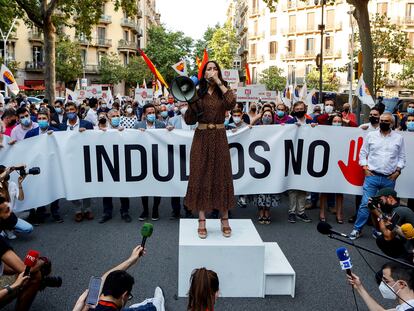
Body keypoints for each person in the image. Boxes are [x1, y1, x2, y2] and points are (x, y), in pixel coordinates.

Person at [183, 61, 236, 239]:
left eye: (215, 69)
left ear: (219, 73)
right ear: (204, 73)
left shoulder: (224, 91)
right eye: (209, 69)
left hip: (220, 137)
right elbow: (190, 120)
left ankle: (225, 218)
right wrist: (190, 101)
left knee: (222, 174)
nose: (212, 72)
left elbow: (231, 104)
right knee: (200, 174)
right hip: (201, 137)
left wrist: (220, 84)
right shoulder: (198, 92)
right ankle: (202, 219)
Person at [350, 112, 406, 240]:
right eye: (381, 120)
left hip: (389, 179)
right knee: (366, 204)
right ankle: (357, 229)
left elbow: (402, 157)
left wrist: (398, 171)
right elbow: (363, 153)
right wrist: (364, 167)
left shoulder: (398, 138)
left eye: (386, 121)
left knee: (385, 207)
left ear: (392, 123)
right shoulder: (371, 135)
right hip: (372, 176)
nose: (383, 123)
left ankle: (380, 230)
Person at [72, 245, 165, 311]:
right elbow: (104, 278)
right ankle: (154, 305)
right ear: (124, 295)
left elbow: (104, 278)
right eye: (129, 296)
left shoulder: (88, 306)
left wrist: (131, 260)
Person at [62, 102, 95, 222]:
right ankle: (77, 208)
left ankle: (87, 209)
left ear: (76, 110)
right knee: (70, 184)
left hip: (84, 158)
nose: (70, 112)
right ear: (65, 112)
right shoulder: (61, 127)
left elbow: (94, 139)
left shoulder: (87, 124)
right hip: (68, 160)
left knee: (86, 184)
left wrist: (86, 133)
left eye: (72, 109)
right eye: (68, 110)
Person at [99, 109, 131, 224]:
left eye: (118, 115)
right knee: (107, 189)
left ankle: (125, 211)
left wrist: (124, 133)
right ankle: (107, 212)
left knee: (123, 189)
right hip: (106, 164)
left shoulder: (125, 130)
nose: (116, 118)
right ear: (108, 117)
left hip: (122, 163)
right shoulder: (101, 129)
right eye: (113, 116)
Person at [134, 104, 165, 221]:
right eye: (149, 113)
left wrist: (169, 130)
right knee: (144, 186)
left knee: (158, 185)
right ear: (144, 115)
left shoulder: (161, 125)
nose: (152, 115)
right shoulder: (138, 125)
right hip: (143, 160)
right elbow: (131, 140)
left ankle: (155, 209)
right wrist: (138, 133)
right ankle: (145, 210)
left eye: (153, 112)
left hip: (158, 159)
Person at [166, 102, 196, 219]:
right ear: (178, 107)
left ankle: (188, 209)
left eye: (186, 104)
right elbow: (165, 136)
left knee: (189, 184)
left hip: (191, 156)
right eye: (181, 104)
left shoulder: (195, 120)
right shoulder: (172, 120)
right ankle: (176, 211)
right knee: (175, 184)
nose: (184, 107)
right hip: (176, 156)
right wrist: (168, 130)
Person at [286, 101, 314, 223]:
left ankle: (301, 212)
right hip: (293, 157)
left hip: (307, 157)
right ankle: (292, 211)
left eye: (301, 108)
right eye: (297, 109)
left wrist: (315, 128)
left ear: (305, 109)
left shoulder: (311, 123)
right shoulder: (289, 123)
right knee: (293, 186)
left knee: (303, 185)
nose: (299, 110)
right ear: (294, 110)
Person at [369, 188, 414, 260]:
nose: (379, 203)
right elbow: (379, 229)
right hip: (408, 243)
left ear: (390, 198)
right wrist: (373, 212)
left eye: (380, 200)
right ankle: (404, 259)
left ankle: (406, 260)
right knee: (381, 239)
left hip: (411, 248)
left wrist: (379, 214)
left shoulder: (399, 210)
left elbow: (388, 237)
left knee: (383, 240)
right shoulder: (393, 210)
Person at [347, 262, 414, 311]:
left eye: (386, 281)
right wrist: (359, 287)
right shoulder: (406, 307)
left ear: (401, 284)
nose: (382, 284)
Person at [0, 165, 33, 239]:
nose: (8, 174)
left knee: (29, 228)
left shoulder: (12, 184)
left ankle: (10, 228)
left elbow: (21, 198)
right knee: (2, 238)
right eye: (5, 172)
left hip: (10, 216)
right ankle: (4, 229)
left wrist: (20, 184)